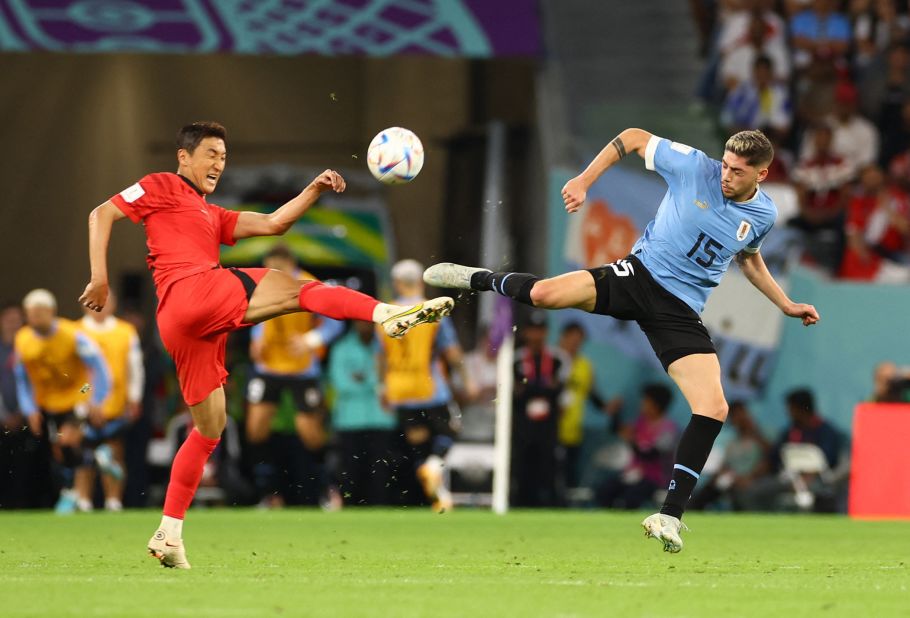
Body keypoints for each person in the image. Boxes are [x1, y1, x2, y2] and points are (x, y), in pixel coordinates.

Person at [78, 121, 454, 568]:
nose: (219, 163)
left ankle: (169, 532)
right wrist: (100, 277)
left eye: (223, 155)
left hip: (182, 325)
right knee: (296, 289)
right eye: (211, 154)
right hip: (193, 293)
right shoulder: (161, 185)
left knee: (209, 430)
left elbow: (275, 223)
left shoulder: (211, 214)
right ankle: (384, 313)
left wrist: (313, 189)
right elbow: (101, 213)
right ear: (183, 157)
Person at [424, 128, 819, 553]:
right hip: (639, 276)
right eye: (725, 164)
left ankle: (669, 515)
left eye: (737, 171)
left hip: (679, 310)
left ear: (761, 173)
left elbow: (750, 259)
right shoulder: (693, 167)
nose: (725, 175)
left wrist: (785, 303)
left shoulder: (762, 215)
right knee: (544, 295)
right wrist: (583, 180)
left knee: (714, 407)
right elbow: (632, 137)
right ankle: (474, 277)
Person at [245, 244, 343, 508]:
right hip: (269, 367)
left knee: (309, 432)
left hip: (301, 367)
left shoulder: (309, 284)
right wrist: (256, 339)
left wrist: (312, 339)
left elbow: (336, 320)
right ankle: (269, 493)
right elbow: (258, 315)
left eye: (278, 268)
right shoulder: (264, 283)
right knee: (255, 429)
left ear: (291, 264)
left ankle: (327, 487)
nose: (272, 272)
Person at [378, 259, 473, 513]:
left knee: (418, 442)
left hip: (398, 388)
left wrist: (382, 387)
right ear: (420, 281)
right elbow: (451, 352)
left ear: (396, 283)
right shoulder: (433, 310)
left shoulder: (386, 311)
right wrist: (467, 379)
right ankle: (434, 468)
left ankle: (439, 495)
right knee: (450, 430)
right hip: (428, 387)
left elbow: (380, 356)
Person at [13, 289, 112, 514]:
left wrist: (97, 399)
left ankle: (71, 492)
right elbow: (22, 379)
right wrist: (29, 409)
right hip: (48, 402)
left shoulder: (73, 334)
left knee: (67, 441)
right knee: (60, 450)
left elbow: (100, 368)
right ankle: (96, 456)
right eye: (31, 313)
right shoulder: (23, 339)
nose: (35, 318)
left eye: (39, 312)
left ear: (51, 311)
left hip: (79, 392)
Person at [78, 289, 145, 512]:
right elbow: (75, 372)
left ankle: (113, 500)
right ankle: (83, 499)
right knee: (84, 453)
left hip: (116, 400)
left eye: (106, 301)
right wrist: (85, 400)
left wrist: (134, 397)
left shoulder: (125, 331)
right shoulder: (76, 331)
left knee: (114, 451)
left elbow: (134, 368)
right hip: (85, 398)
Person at [328, 320, 397, 506]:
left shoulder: (386, 345)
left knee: (381, 473)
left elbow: (395, 380)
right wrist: (375, 382)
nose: (365, 327)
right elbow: (341, 383)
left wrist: (362, 378)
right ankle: (350, 510)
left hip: (381, 419)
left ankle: (380, 511)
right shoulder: (341, 348)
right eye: (362, 323)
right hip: (350, 421)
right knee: (351, 472)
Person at [510, 311, 569, 507]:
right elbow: (513, 392)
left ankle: (552, 506)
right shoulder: (515, 360)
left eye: (540, 330)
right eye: (533, 330)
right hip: (523, 426)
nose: (536, 335)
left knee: (549, 467)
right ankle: (520, 505)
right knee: (522, 468)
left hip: (548, 425)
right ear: (526, 332)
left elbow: (562, 391)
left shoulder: (557, 359)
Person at [556, 321, 620, 490]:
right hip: (551, 427)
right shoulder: (552, 360)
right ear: (563, 337)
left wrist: (607, 407)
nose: (575, 344)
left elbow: (592, 394)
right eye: (572, 339)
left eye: (579, 341)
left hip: (573, 429)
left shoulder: (585, 366)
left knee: (569, 472)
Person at [597, 384, 678, 511]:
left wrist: (631, 441)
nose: (642, 404)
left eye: (646, 401)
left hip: (654, 478)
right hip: (632, 475)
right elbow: (618, 430)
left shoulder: (667, 429)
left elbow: (651, 454)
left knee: (631, 497)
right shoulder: (640, 422)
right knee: (605, 490)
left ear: (656, 405)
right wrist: (615, 413)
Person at [688, 401, 769, 511]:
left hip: (751, 479)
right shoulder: (732, 441)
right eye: (734, 417)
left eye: (741, 415)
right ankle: (692, 508)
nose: (738, 420)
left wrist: (750, 478)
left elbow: (767, 459)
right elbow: (725, 464)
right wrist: (723, 473)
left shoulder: (759, 439)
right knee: (715, 484)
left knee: (733, 489)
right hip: (732, 478)